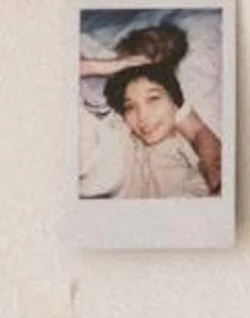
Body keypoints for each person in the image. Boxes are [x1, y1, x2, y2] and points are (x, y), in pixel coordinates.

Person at [76, 23, 221, 200]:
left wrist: (213, 169)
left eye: (163, 51)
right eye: (155, 41)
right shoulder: (90, 47)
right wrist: (115, 65)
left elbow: (198, 131)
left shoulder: (158, 90)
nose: (153, 50)